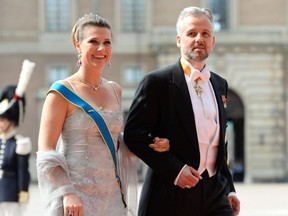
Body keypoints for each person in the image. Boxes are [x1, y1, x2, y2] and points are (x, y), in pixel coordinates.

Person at [36, 13, 169, 216]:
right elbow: (46, 152)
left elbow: (117, 143)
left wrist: (150, 143)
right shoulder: (61, 92)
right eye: (93, 42)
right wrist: (67, 192)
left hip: (113, 197)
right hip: (77, 198)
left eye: (107, 42)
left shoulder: (115, 90)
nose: (101, 49)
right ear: (77, 45)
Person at [124, 6, 240, 216]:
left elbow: (219, 143)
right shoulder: (156, 82)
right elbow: (134, 134)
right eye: (191, 33)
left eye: (205, 33)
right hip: (170, 193)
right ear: (179, 40)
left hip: (216, 193)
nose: (199, 38)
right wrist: (175, 170)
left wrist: (230, 189)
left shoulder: (220, 84)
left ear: (213, 41)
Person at [0, 60, 35, 216]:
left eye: (4, 120)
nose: (1, 123)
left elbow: (23, 172)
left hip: (10, 193)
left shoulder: (20, 143)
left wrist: (23, 195)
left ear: (12, 120)